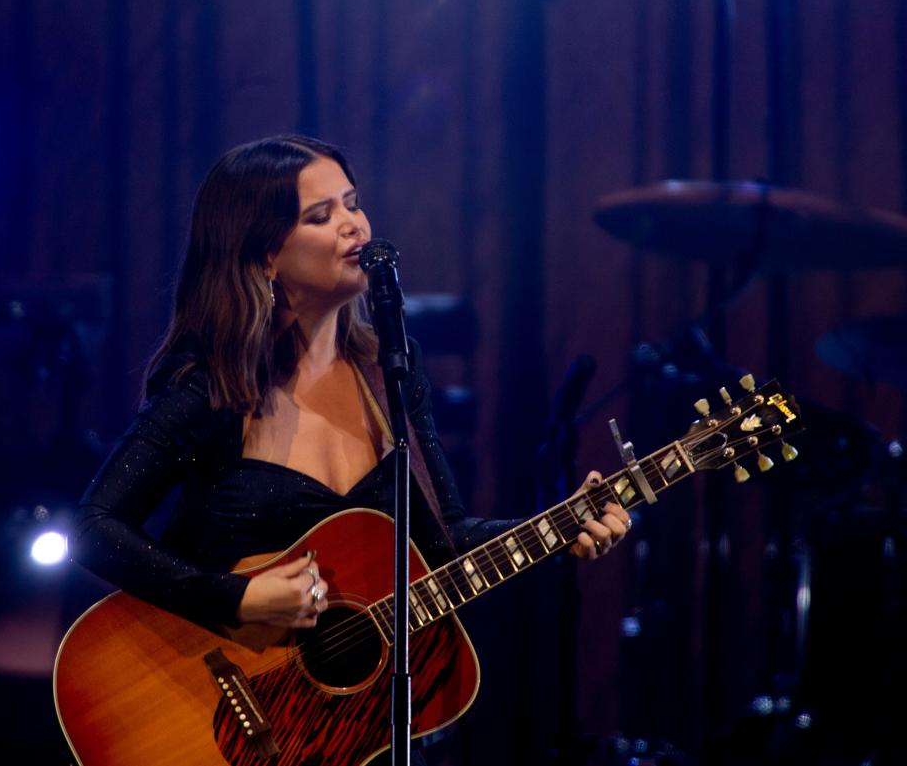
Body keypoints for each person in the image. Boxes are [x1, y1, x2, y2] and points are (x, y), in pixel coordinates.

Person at [72, 134, 631, 764]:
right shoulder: (212, 388)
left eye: (352, 203)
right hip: (208, 707)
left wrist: (558, 526)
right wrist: (232, 598)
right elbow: (93, 527)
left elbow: (444, 541)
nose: (353, 225)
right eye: (321, 216)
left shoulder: (390, 373)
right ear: (264, 257)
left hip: (336, 734)